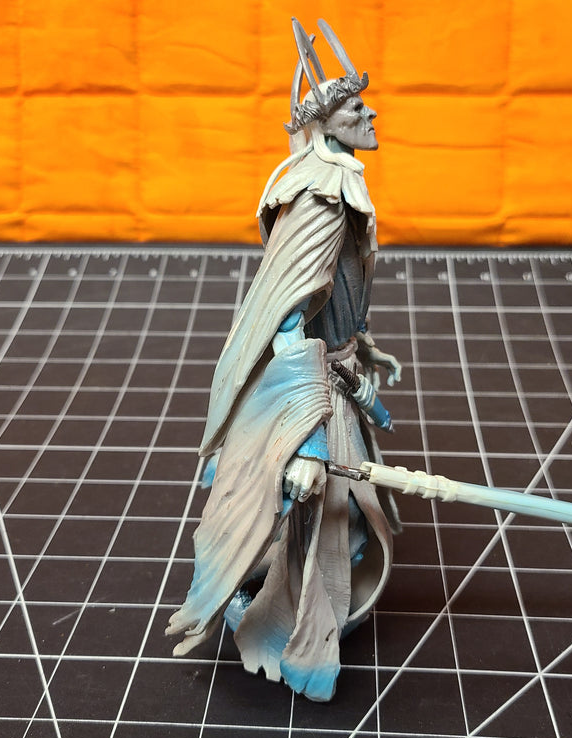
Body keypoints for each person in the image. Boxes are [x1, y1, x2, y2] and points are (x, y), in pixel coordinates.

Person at [165, 18, 402, 702]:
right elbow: (288, 325)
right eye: (355, 108)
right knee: (324, 514)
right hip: (310, 388)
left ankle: (299, 605)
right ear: (326, 124)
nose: (370, 114)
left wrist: (359, 339)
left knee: (342, 522)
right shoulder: (320, 200)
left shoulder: (332, 182)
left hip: (337, 367)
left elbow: (329, 294)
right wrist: (303, 442)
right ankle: (286, 626)